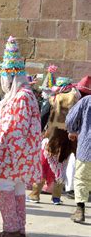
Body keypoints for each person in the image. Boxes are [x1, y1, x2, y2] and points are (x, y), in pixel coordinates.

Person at [0, 37, 41, 237]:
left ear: (11, 77)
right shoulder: (25, 94)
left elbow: (15, 130)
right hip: (22, 154)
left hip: (13, 154)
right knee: (18, 188)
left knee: (5, 187)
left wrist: (2, 152)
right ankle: (19, 227)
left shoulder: (20, 97)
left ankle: (11, 228)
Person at [28, 77, 79, 205]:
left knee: (43, 166)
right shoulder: (76, 101)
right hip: (67, 140)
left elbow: (43, 117)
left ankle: (35, 195)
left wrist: (38, 133)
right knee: (61, 167)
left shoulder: (53, 100)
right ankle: (56, 197)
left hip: (51, 139)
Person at [66, 75, 91, 224]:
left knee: (81, 178)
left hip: (87, 147)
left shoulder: (86, 101)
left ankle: (80, 210)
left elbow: (70, 119)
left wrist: (73, 131)